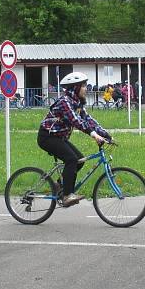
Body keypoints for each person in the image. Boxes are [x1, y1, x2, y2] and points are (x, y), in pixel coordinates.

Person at [38, 72, 112, 207]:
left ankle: (58, 185)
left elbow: (89, 120)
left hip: (59, 137)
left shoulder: (77, 103)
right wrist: (93, 134)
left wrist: (106, 135)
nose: (86, 88)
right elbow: (76, 121)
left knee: (79, 160)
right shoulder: (65, 102)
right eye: (84, 86)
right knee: (71, 159)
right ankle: (67, 195)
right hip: (48, 137)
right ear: (74, 88)